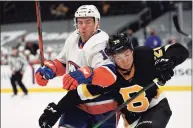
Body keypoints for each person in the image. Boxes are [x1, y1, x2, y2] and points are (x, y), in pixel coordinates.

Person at [38, 33, 189, 128]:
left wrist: (168, 61)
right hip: (132, 121)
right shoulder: (109, 78)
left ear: (132, 50)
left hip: (156, 107)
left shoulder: (145, 56)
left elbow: (179, 49)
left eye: (127, 54)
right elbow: (77, 95)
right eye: (118, 57)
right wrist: (56, 111)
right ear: (112, 58)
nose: (124, 61)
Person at [35, 5, 118, 128]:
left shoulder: (101, 41)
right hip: (77, 105)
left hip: (103, 108)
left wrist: (87, 73)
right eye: (80, 22)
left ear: (97, 23)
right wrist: (51, 69)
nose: (83, 26)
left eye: (88, 22)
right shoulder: (73, 38)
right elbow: (63, 63)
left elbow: (110, 75)